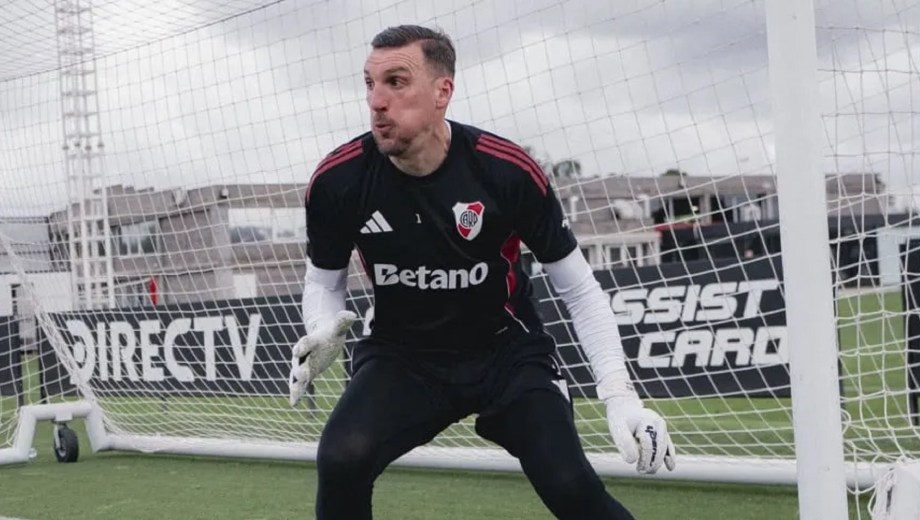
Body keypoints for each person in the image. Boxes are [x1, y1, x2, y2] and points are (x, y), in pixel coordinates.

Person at [290, 24, 675, 520]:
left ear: (442, 91)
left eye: (396, 82)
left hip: (506, 354)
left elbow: (579, 289)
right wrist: (321, 327)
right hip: (402, 358)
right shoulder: (337, 180)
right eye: (370, 83)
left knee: (570, 484)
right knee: (342, 458)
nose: (377, 101)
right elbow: (324, 282)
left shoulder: (506, 170)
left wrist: (620, 397)